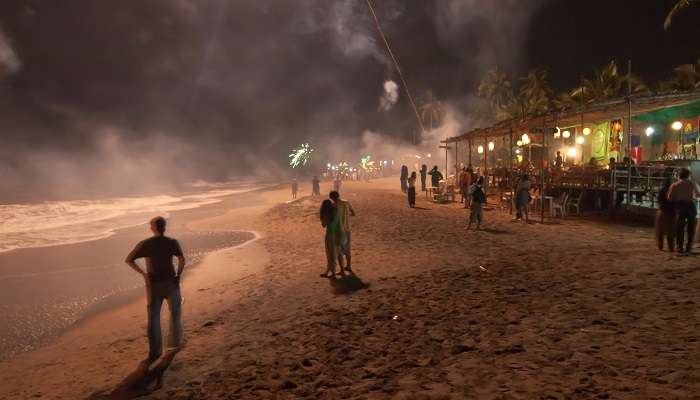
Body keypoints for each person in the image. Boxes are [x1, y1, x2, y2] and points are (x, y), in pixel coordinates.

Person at [125, 216, 185, 362]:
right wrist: (178, 275)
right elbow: (181, 259)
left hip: (154, 284)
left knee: (154, 318)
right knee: (175, 313)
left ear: (152, 228)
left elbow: (129, 260)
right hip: (171, 282)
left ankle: (155, 351)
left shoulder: (146, 243)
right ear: (164, 227)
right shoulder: (172, 242)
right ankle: (174, 343)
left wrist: (144, 274)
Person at [668, 168, 700, 254]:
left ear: (679, 175)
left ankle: (679, 247)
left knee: (680, 227)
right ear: (688, 175)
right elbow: (698, 194)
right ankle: (689, 247)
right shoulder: (693, 184)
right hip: (691, 206)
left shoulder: (675, 185)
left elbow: (670, 198)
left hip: (680, 206)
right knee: (691, 227)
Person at [329, 190, 356, 272]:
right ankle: (349, 266)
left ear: (332, 198)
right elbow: (353, 213)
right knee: (348, 248)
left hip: (339, 230)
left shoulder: (334, 206)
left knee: (339, 250)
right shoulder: (346, 202)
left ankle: (342, 270)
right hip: (347, 229)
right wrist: (346, 216)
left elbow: (334, 220)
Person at [319, 199, 343, 277]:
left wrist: (322, 217)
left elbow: (324, 225)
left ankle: (332, 272)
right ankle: (336, 271)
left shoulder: (327, 214)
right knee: (338, 253)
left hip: (330, 235)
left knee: (330, 254)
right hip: (339, 234)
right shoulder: (336, 211)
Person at [656, 176, 675, 252]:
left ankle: (660, 246)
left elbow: (659, 200)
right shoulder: (673, 189)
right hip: (670, 212)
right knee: (670, 231)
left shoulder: (662, 190)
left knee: (660, 230)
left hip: (662, 211)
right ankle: (671, 247)